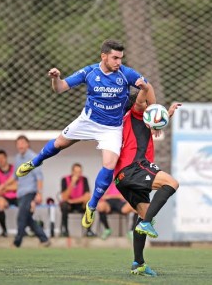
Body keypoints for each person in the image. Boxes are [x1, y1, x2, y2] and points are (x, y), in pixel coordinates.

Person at [15, 39, 152, 229]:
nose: (118, 62)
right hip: (87, 121)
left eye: (121, 58)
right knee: (59, 144)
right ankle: (34, 162)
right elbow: (61, 88)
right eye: (115, 58)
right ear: (103, 56)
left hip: (111, 128)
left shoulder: (126, 73)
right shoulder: (89, 72)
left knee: (109, 164)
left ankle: (92, 205)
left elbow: (148, 87)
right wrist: (55, 78)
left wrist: (152, 114)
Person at [114, 84, 181, 276]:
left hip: (121, 177)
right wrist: (144, 85)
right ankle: (146, 223)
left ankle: (138, 263)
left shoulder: (134, 120)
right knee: (171, 183)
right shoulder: (135, 112)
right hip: (134, 166)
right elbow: (142, 102)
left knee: (143, 216)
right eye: (145, 103)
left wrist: (167, 113)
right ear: (139, 104)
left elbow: (152, 120)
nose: (148, 105)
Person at [12, 135, 50, 247]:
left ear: (27, 144)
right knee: (28, 218)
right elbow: (14, 177)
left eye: (22, 143)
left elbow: (39, 177)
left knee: (21, 217)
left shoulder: (33, 157)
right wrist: (3, 186)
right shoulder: (18, 158)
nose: (20, 145)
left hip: (30, 192)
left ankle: (16, 243)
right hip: (20, 193)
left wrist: (39, 193)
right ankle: (44, 240)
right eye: (18, 143)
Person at [60, 163, 96, 237]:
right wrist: (72, 183)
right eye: (76, 172)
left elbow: (87, 197)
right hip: (69, 205)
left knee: (90, 205)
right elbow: (64, 197)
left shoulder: (84, 179)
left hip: (80, 204)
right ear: (72, 172)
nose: (78, 174)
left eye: (80, 172)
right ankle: (65, 231)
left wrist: (73, 201)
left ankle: (89, 231)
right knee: (64, 206)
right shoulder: (64, 179)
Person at [0, 150, 17, 237]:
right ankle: (4, 231)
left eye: (2, 158)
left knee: (28, 205)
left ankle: (24, 230)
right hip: (4, 197)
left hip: (18, 196)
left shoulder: (15, 169)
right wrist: (11, 187)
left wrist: (4, 187)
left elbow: (18, 186)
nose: (1, 160)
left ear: (6, 158)